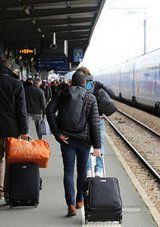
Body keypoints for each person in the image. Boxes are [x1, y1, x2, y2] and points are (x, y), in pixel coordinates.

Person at [46, 70, 101, 217]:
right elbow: (95, 124)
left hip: (67, 139)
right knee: (82, 171)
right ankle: (80, 201)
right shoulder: (91, 98)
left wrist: (57, 134)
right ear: (85, 82)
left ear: (71, 81)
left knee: (68, 171)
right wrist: (97, 146)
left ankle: (70, 204)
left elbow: (49, 111)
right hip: (84, 141)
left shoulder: (63, 94)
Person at [76, 67, 115, 177]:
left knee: (86, 145)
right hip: (98, 119)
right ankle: (99, 170)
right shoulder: (95, 85)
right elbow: (112, 94)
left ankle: (89, 170)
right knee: (100, 144)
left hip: (86, 120)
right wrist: (100, 85)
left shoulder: (80, 86)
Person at [0, 59, 29, 201]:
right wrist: (24, 131)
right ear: (11, 69)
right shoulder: (16, 84)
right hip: (11, 129)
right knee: (9, 161)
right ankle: (6, 192)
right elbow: (21, 110)